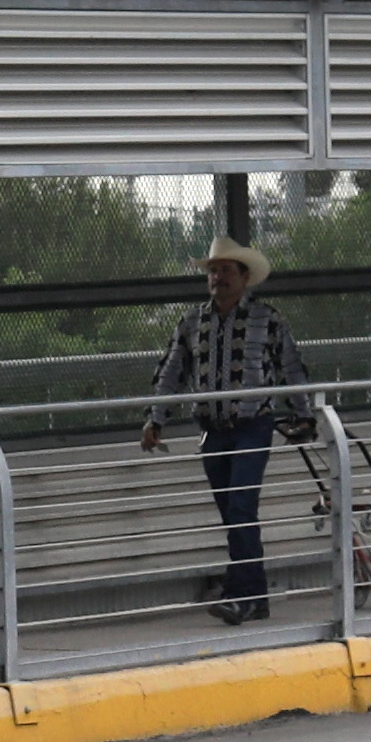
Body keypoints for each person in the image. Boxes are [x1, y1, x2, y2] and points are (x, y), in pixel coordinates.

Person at [136, 240, 313, 622]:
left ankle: (241, 594)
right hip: (213, 431)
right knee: (233, 514)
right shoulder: (191, 322)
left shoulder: (268, 319)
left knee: (240, 507)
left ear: (245, 278)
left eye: (226, 270)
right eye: (212, 271)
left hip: (254, 426)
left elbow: (290, 368)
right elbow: (171, 372)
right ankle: (256, 596)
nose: (217, 277)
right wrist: (156, 419)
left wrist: (305, 416)